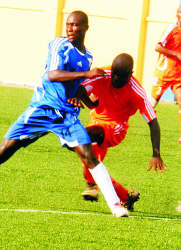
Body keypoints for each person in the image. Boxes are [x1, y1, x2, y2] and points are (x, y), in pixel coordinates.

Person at [0, 11, 129, 218]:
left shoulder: (87, 56)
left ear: (86, 28)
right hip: (42, 108)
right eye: (68, 24)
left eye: (75, 25)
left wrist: (88, 101)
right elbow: (53, 75)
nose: (70, 28)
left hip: (66, 115)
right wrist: (86, 74)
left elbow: (74, 86)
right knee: (5, 149)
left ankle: (116, 206)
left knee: (88, 154)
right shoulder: (59, 45)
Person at [69, 53, 166, 212]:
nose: (114, 78)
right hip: (95, 121)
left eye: (120, 76)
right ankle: (126, 196)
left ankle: (92, 186)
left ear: (130, 75)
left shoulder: (136, 91)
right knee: (89, 160)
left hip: (116, 128)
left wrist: (156, 154)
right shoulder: (103, 75)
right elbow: (80, 89)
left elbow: (153, 122)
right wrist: (84, 101)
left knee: (83, 138)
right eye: (113, 73)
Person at [147, 5, 181, 145]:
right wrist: (177, 54)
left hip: (177, 74)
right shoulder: (171, 29)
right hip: (164, 73)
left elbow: (177, 50)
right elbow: (158, 47)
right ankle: (124, 118)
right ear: (176, 15)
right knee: (150, 105)